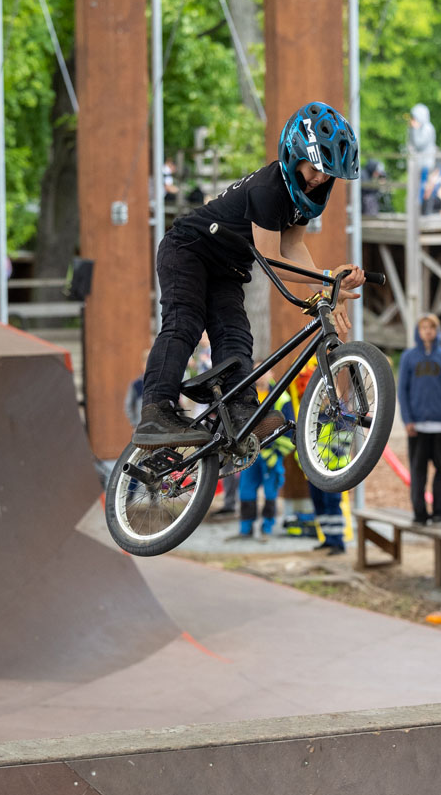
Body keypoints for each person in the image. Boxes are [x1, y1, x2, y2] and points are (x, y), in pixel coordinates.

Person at [132, 102, 364, 448]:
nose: (320, 179)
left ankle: (241, 414)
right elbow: (274, 259)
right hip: (188, 249)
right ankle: (157, 411)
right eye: (316, 167)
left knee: (236, 336)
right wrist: (329, 275)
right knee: (186, 322)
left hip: (227, 266)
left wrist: (326, 284)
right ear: (293, 154)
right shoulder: (269, 189)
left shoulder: (302, 198)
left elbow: (294, 249)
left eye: (329, 173)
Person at [398, 312, 441, 526]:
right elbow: (402, 391)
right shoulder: (409, 357)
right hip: (417, 426)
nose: (427, 332)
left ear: (436, 331)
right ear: (418, 331)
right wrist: (407, 420)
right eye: (424, 327)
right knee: (418, 472)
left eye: (431, 328)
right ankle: (420, 513)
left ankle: (440, 512)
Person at [235, 372, 295, 540]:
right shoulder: (245, 397)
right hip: (249, 454)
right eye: (256, 372)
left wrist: (275, 452)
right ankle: (245, 529)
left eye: (263, 372)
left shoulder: (282, 397)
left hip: (271, 456)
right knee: (246, 491)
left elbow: (289, 429)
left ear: (270, 374)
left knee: (270, 493)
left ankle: (266, 530)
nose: (259, 376)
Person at [407, 104, 438, 213]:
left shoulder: (427, 128)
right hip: (419, 165)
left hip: (426, 165)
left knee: (424, 189)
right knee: (418, 189)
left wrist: (414, 129)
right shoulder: (419, 127)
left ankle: (423, 213)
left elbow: (418, 144)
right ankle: (417, 211)